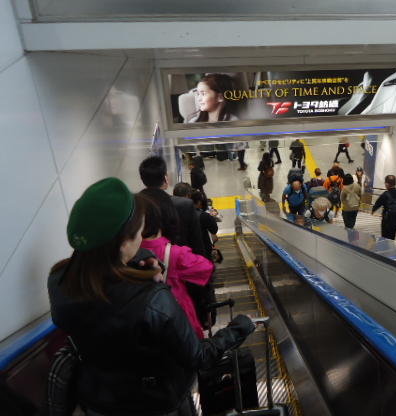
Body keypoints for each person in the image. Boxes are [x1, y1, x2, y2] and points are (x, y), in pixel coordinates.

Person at [48, 178, 255, 415]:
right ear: (123, 243)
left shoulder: (59, 280)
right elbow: (198, 356)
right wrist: (240, 327)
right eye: (139, 233)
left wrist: (140, 260)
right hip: (157, 404)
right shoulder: (153, 299)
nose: (142, 239)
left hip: (98, 401)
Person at [140, 195, 214, 339]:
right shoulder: (175, 254)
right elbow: (206, 268)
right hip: (177, 321)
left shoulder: (129, 253)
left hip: (145, 325)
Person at [139, 156, 206, 257]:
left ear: (143, 180)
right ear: (165, 178)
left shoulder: (135, 207)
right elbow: (197, 243)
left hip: (146, 261)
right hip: (181, 261)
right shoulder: (185, 205)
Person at [371, 175, 396, 240]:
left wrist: (373, 210)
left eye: (385, 183)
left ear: (387, 184)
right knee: (392, 236)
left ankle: (385, 245)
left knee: (385, 237)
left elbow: (378, 203)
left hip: (388, 221)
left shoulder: (385, 194)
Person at [190, 190, 221, 263]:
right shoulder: (204, 216)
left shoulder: (183, 213)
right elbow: (214, 230)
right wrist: (212, 217)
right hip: (204, 248)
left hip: (189, 249)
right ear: (199, 202)